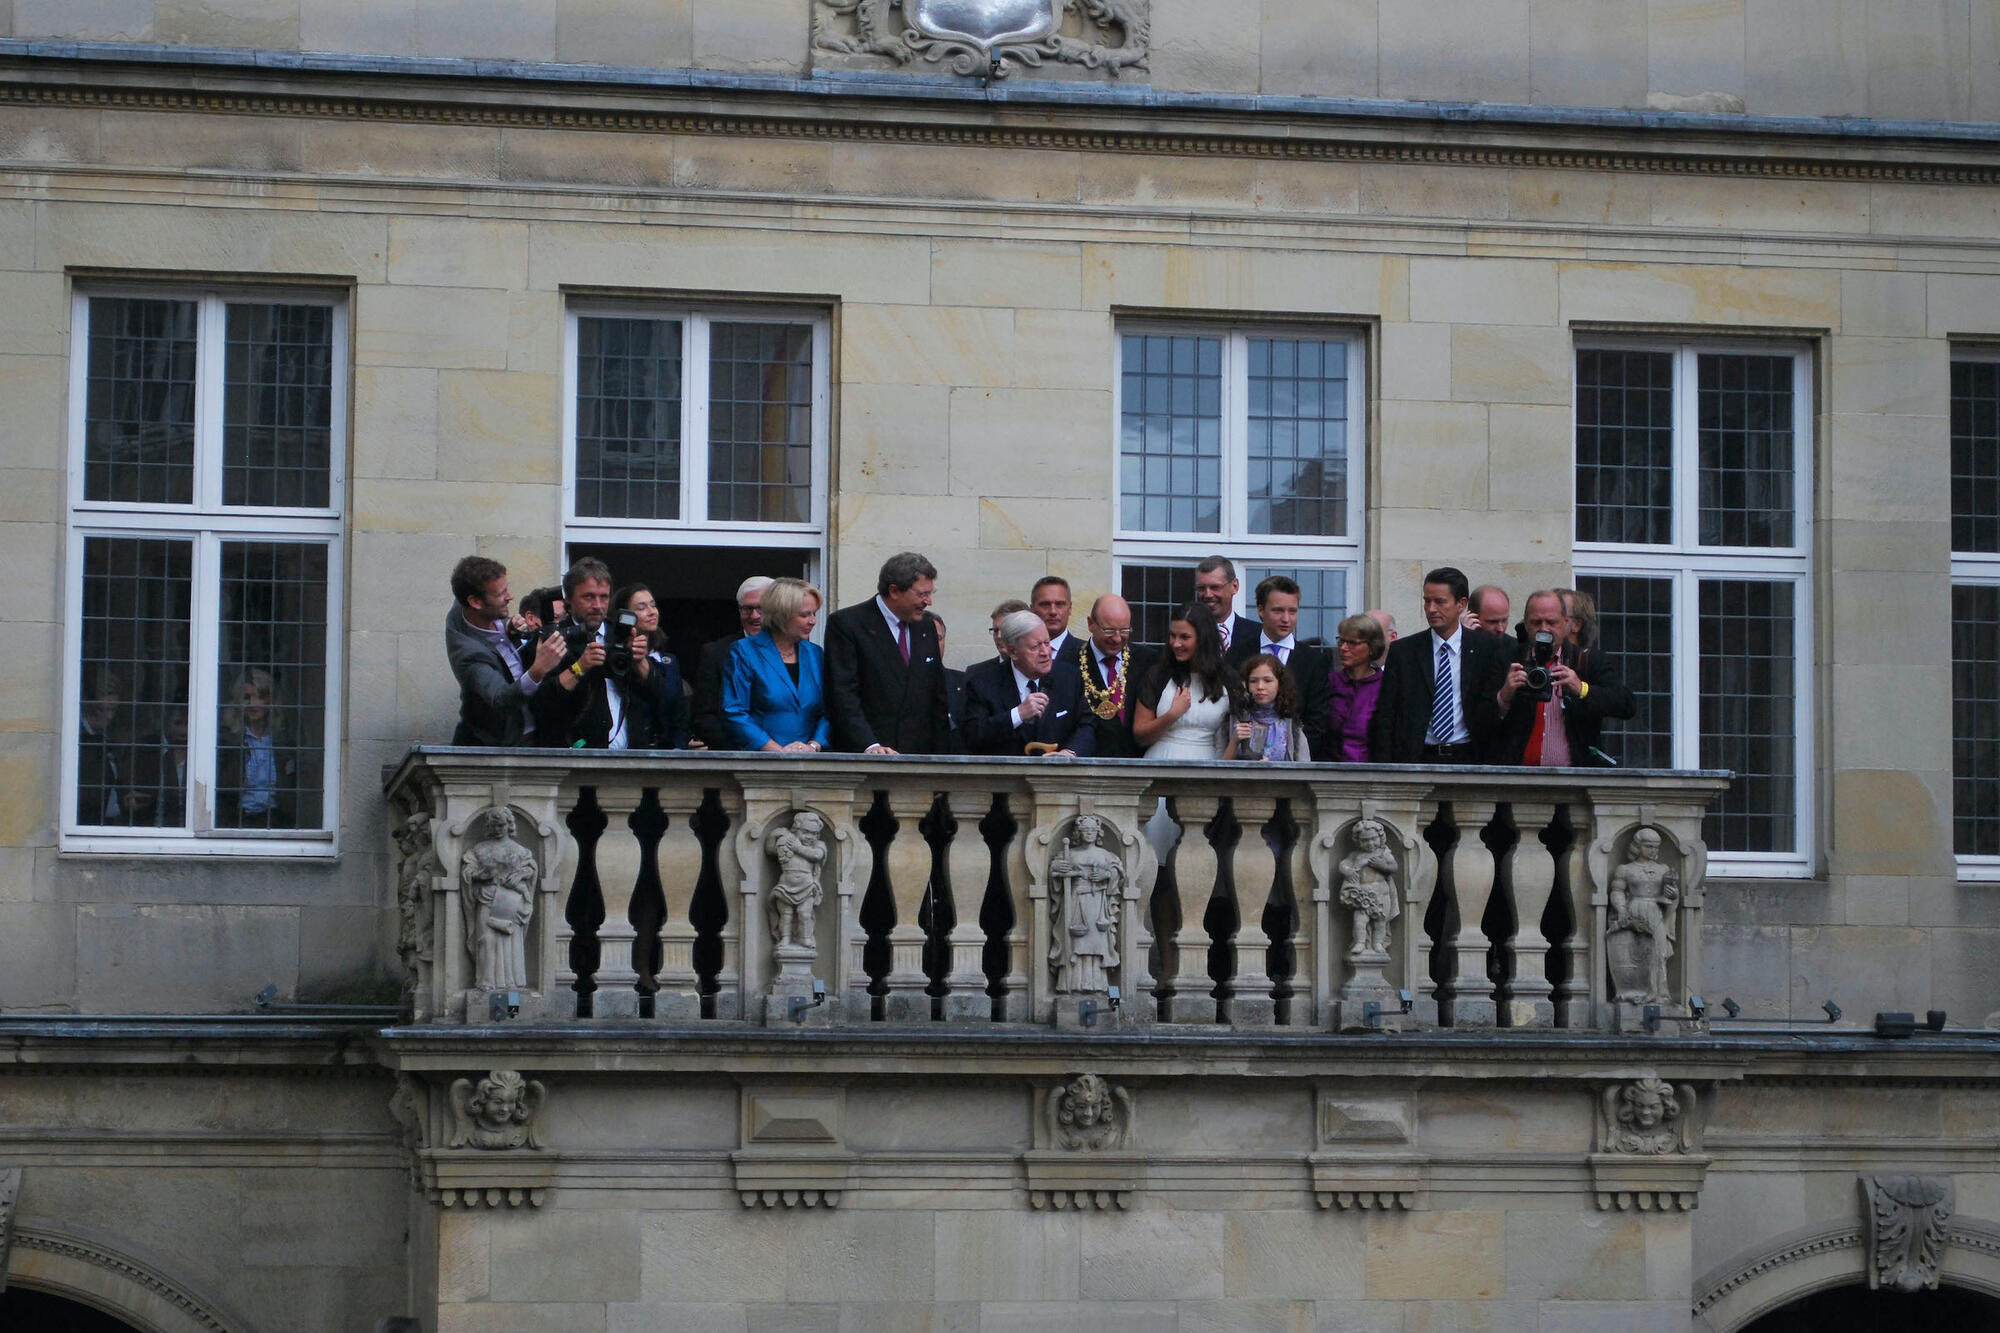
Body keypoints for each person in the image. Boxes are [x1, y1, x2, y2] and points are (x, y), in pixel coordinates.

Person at [1366, 566, 1511, 763]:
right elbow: (1385, 716)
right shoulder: (1404, 652)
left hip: (1469, 757)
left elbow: (1491, 712)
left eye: (1440, 602)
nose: (1431, 609)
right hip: (1417, 758)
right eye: (1427, 601)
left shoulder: (1486, 649)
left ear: (1461, 604)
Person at [531, 557, 671, 749]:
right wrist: (581, 666)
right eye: (588, 597)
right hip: (576, 758)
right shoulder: (552, 638)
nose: (597, 605)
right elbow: (540, 703)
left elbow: (662, 696)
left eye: (604, 597)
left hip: (632, 758)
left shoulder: (622, 633)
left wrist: (640, 662)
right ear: (569, 600)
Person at [825, 551, 952, 755]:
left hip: (919, 761)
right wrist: (870, 745)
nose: (929, 602)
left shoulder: (926, 626)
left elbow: (937, 698)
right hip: (868, 757)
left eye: (930, 593)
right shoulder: (847, 624)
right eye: (922, 594)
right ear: (894, 591)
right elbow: (843, 695)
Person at [1497, 589, 1637, 767]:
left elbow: (1626, 704)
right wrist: (1504, 696)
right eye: (1536, 622)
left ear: (1566, 623)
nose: (1544, 629)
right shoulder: (1508, 659)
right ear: (1526, 625)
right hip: (1516, 780)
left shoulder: (1586, 661)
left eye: (1551, 622)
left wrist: (1582, 689)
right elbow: (1479, 719)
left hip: (1573, 781)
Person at [445, 555, 566, 747]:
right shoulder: (469, 656)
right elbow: (502, 699)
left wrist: (507, 625)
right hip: (506, 750)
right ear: (476, 602)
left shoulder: (465, 605)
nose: (510, 597)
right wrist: (538, 669)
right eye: (502, 594)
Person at [961, 610, 1096, 757]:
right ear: (1013, 651)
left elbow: (1087, 725)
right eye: (1035, 647)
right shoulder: (982, 684)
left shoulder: (1070, 677)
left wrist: (1070, 752)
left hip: (1058, 776)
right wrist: (1017, 715)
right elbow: (972, 737)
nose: (1046, 652)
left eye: (1047, 642)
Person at [1227, 574, 1332, 760]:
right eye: (1278, 611)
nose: (1286, 619)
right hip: (1244, 761)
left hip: (1295, 762)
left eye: (1293, 611)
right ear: (1261, 610)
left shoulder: (1313, 660)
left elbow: (1318, 718)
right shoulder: (1237, 654)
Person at [723, 576, 830, 753]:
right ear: (782, 615)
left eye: (814, 613)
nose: (813, 621)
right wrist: (777, 751)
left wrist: (813, 745)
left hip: (811, 761)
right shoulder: (744, 651)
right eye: (804, 615)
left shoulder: (815, 654)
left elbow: (830, 710)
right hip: (762, 763)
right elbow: (734, 711)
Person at [1133, 603, 1242, 760]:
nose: (1176, 644)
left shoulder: (1228, 678)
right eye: (1173, 635)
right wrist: (1172, 715)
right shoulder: (1158, 675)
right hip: (1160, 762)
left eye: (1184, 637)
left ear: (1203, 639)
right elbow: (1140, 737)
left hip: (1209, 767)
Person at [1054, 593, 1154, 759]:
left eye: (1124, 630)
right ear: (1091, 624)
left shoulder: (1147, 660)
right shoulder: (1066, 663)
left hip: (1137, 766)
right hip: (1087, 766)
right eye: (1109, 630)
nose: (1116, 638)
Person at [691, 576, 773, 751]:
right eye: (747, 609)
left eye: (761, 608)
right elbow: (704, 717)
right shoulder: (716, 653)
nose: (754, 616)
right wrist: (753, 747)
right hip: (736, 755)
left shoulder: (795, 652)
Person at [613, 583, 691, 750]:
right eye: (641, 607)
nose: (651, 612)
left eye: (653, 605)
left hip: (666, 756)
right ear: (625, 615)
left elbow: (679, 715)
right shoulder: (616, 658)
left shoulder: (669, 661)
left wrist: (679, 750)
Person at [216, 667, 295, 827]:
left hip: (276, 819)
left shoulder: (282, 740)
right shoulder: (228, 741)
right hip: (236, 820)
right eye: (246, 697)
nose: (253, 704)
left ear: (270, 700)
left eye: (259, 697)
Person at [76, 665, 145, 825]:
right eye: (102, 710)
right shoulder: (81, 740)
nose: (109, 716)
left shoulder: (103, 737)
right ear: (86, 704)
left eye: (114, 710)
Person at [1325, 612, 1387, 763]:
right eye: (1341, 641)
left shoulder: (1385, 686)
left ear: (1372, 647)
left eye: (1353, 643)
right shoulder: (1330, 683)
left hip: (1373, 773)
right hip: (1330, 772)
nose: (1343, 648)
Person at [1229, 653, 1311, 762]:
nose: (1260, 687)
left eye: (1267, 681)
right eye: (1253, 681)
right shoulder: (1233, 721)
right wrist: (1234, 742)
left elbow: (1304, 770)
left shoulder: (1292, 727)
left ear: (1280, 684)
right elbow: (1217, 768)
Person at [1193, 556, 1263, 654]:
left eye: (1215, 587)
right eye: (1201, 588)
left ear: (1235, 586)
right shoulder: (1187, 634)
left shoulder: (1258, 634)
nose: (1208, 594)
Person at [932, 611, 967, 729]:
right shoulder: (896, 684)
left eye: (938, 638)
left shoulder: (964, 682)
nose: (932, 644)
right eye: (926, 637)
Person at [1031, 576, 1076, 658]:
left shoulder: (1088, 655)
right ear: (1032, 610)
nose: (1053, 611)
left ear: (1070, 608)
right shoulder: (1018, 655)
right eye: (1045, 604)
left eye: (1059, 604)